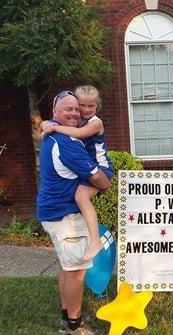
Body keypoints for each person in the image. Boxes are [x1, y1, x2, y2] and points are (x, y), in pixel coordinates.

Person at [37, 90, 110, 335]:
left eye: (76, 109)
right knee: (76, 272)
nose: (75, 112)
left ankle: (66, 318)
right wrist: (105, 185)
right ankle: (75, 329)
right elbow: (98, 178)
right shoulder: (67, 144)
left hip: (53, 212)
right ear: (55, 112)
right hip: (65, 216)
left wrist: (50, 125)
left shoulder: (54, 135)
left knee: (68, 268)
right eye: (68, 109)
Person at [41, 85, 114, 263]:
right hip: (89, 168)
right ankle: (94, 239)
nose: (86, 110)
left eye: (92, 106)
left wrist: (54, 127)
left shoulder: (95, 123)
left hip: (102, 168)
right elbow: (51, 124)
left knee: (81, 197)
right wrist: (45, 123)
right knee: (80, 197)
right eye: (82, 106)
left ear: (97, 107)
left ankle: (96, 242)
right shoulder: (76, 120)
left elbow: (80, 134)